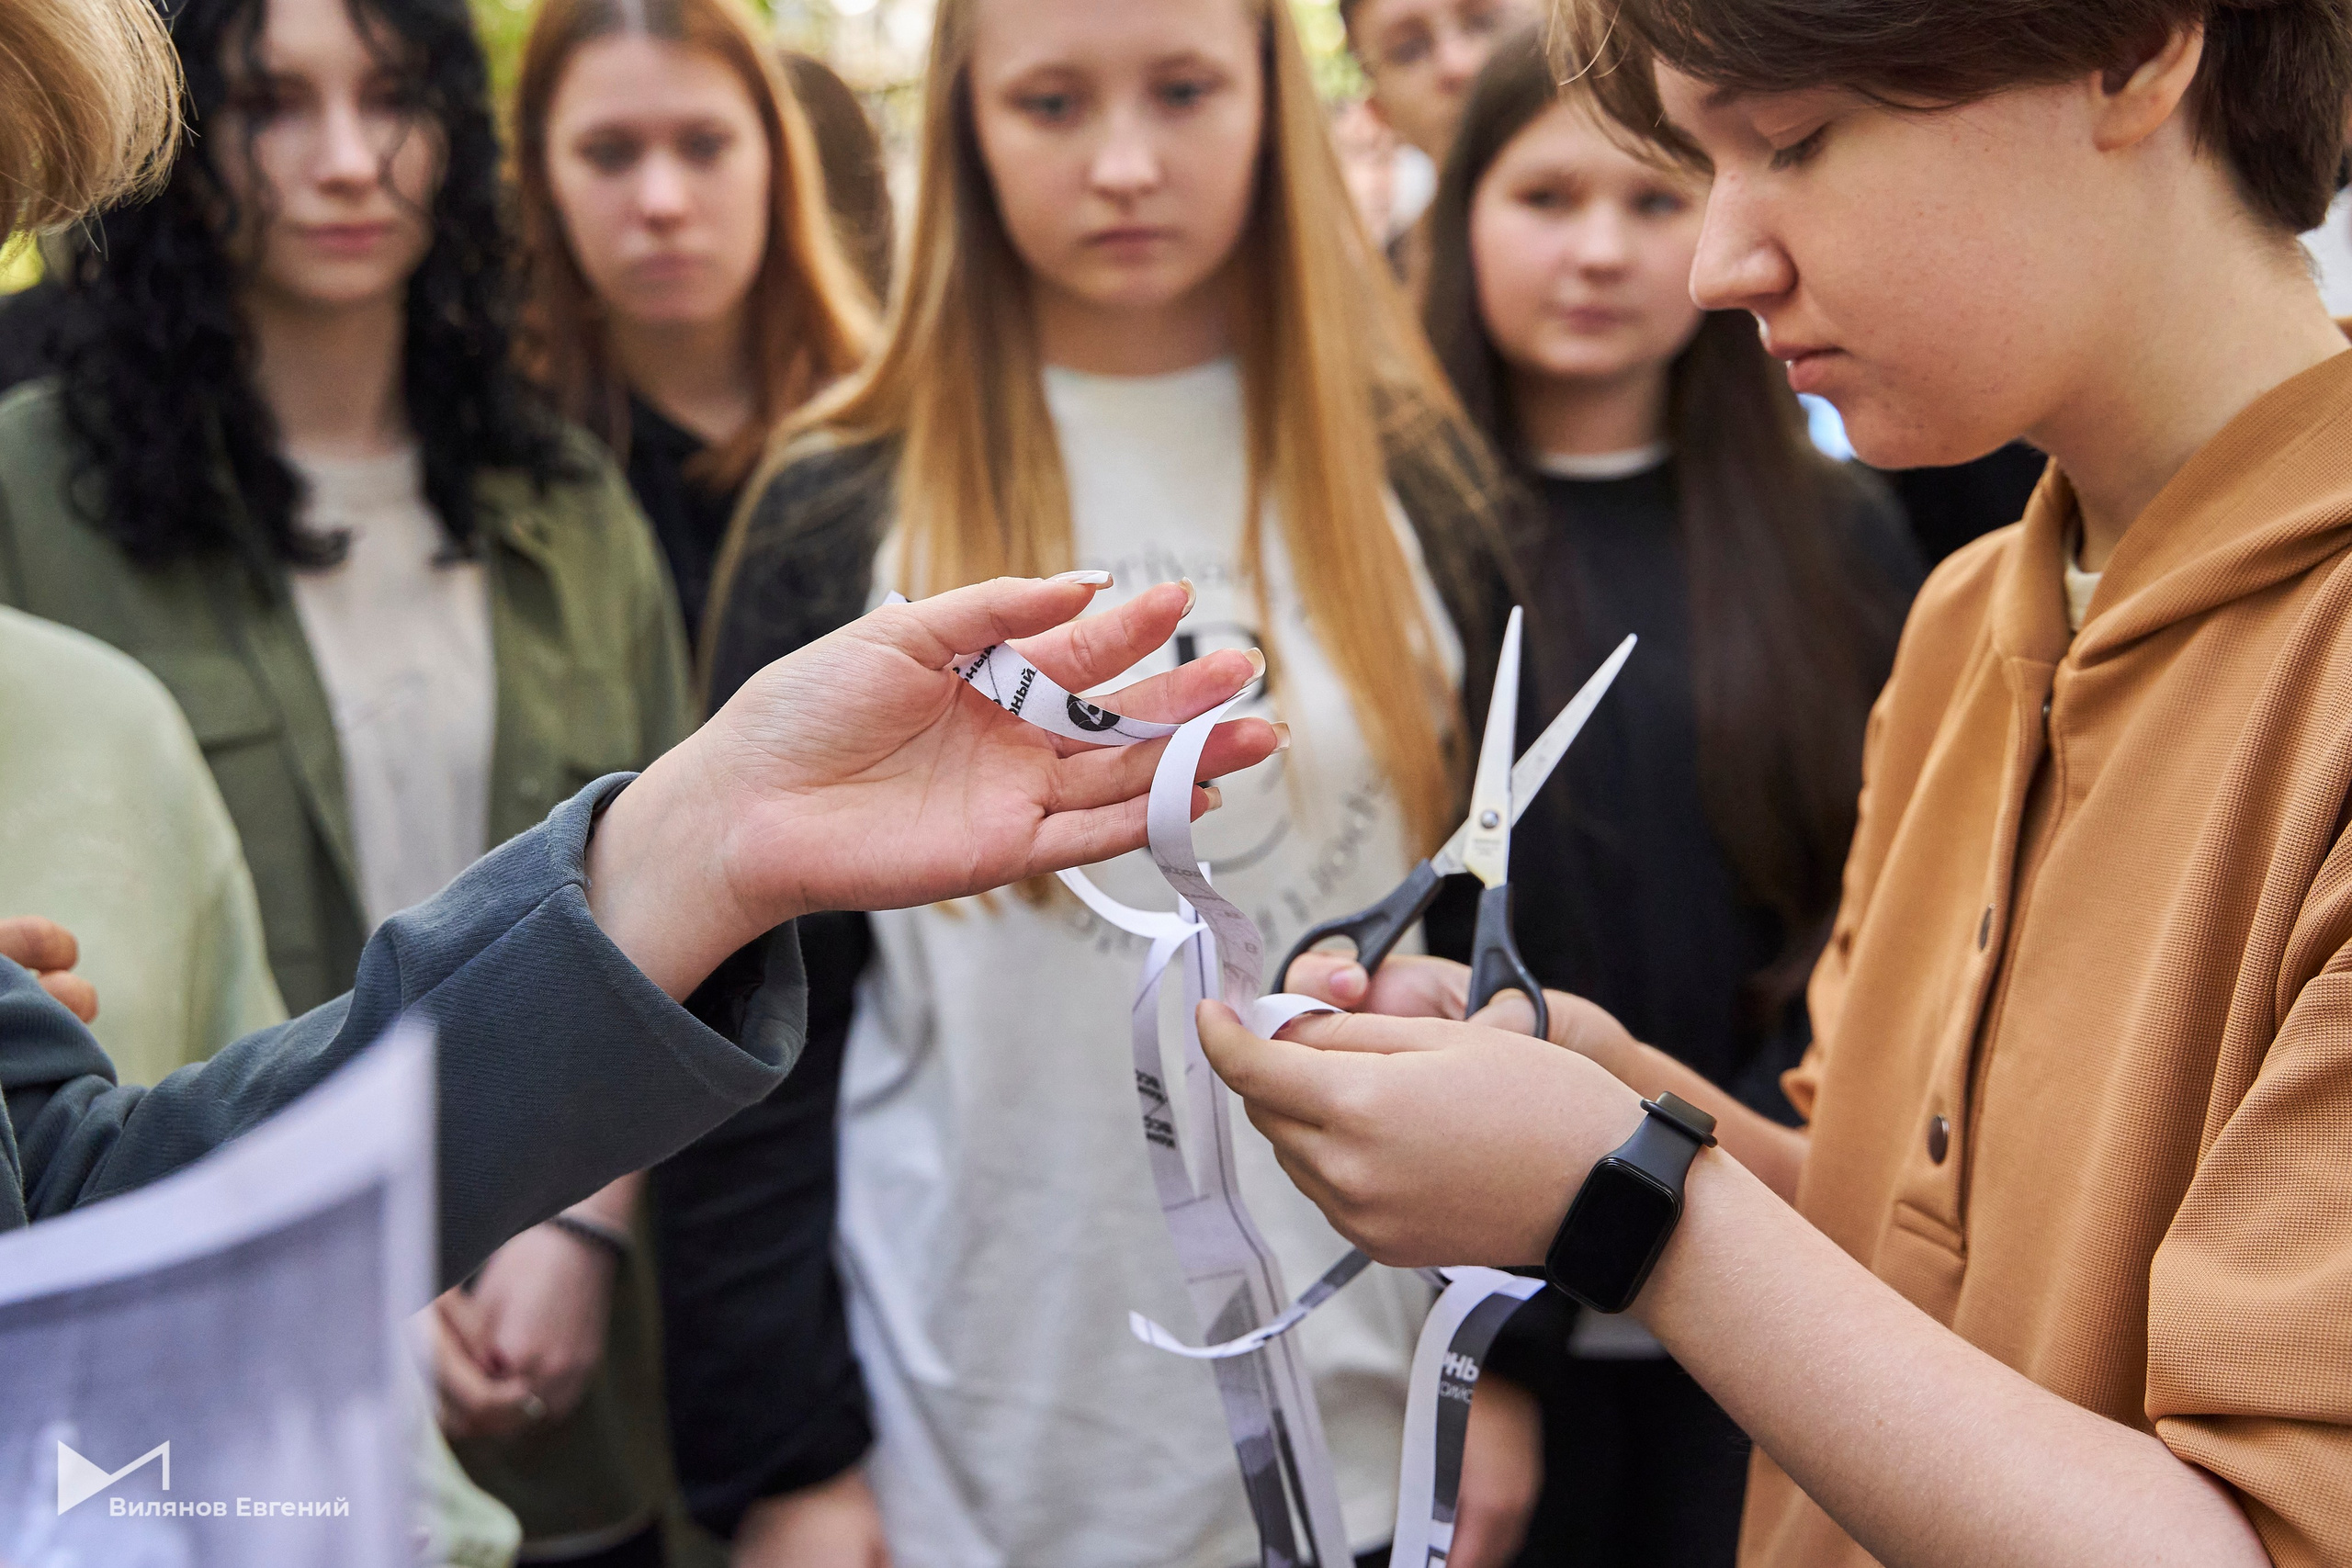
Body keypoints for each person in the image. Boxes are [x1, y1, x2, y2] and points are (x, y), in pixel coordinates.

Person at [1202, 2, 2352, 1565]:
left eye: (1796, 141)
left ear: (2138, 51)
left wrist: (1626, 1195)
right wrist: (1619, 1094)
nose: (1714, 264)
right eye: (1706, 164)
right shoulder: (1969, 620)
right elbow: (1892, 1247)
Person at [703, 0, 1528, 1562]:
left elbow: (1508, 943)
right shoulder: (840, 503)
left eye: (1184, 90)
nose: (1127, 163)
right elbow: (748, 1030)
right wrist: (789, 1456)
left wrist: (1511, 1355)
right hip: (969, 1456)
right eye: (1054, 103)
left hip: (1377, 1438)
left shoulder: (1416, 467)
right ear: (966, 122)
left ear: (1273, 101)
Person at [0, 0, 696, 1559]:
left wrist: (577, 1220)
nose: (343, 161)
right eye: (270, 105)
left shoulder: (570, 500)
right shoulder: (29, 494)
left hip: (552, 1310)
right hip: (182, 1364)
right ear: (187, 140)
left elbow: (682, 881)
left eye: (390, 98)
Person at [1416, 28, 1917, 1563]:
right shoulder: (1388, 538)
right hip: (1471, 1309)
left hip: (1773, 1284)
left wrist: (1721, 1172)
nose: (1599, 251)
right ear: (1459, 213)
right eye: (1546, 198)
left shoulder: (1838, 530)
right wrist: (1491, 1338)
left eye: (1652, 199)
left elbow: (1878, 899)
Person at [512, 0, 874, 642]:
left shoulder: (891, 420)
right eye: (609, 153)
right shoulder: (498, 452)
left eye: (705, 146)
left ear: (774, 156)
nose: (663, 203)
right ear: (544, 178)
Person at [1338, 0, 1537, 282]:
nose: (1459, 64)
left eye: (1487, 21)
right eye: (1409, 50)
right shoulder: (1380, 287)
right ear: (1379, 111)